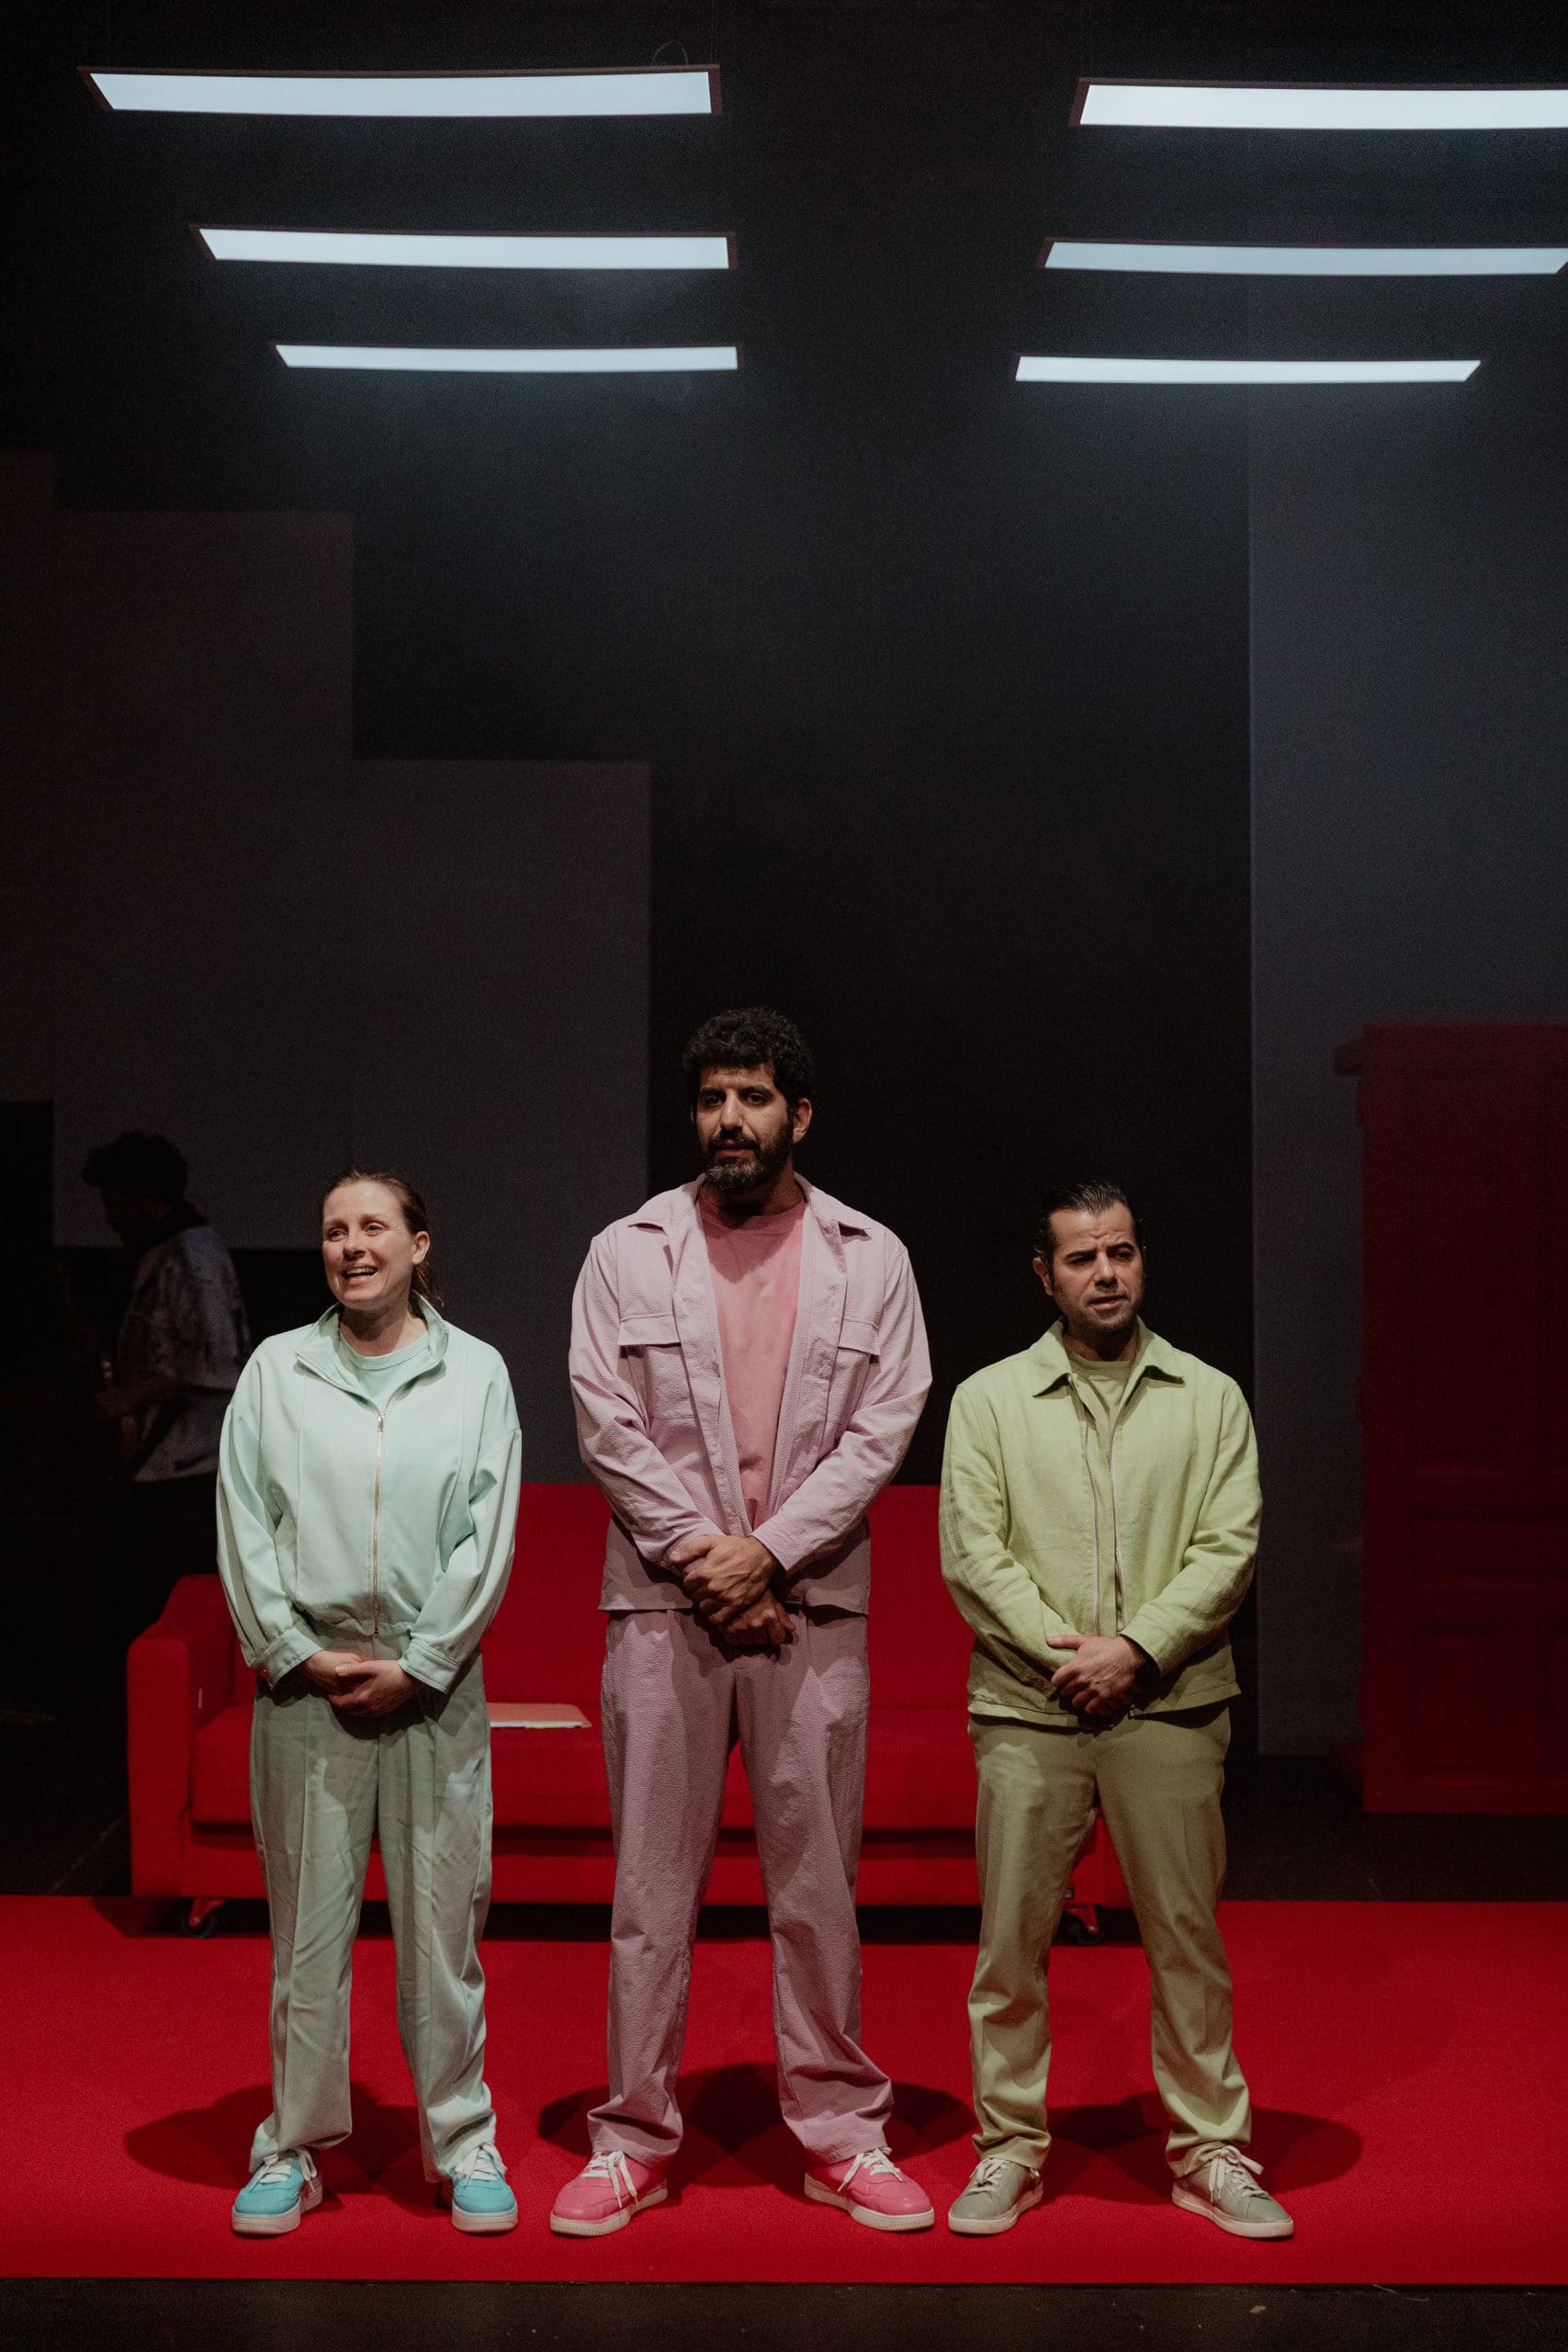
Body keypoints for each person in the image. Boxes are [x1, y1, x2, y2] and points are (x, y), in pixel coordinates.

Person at [556, 1007, 934, 2237]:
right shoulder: (626, 1251)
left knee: (816, 1887)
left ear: (797, 1115)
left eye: (754, 1097)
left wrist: (764, 1554)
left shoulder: (869, 1255)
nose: (731, 1118)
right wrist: (709, 1559)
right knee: (649, 1891)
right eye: (713, 1097)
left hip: (808, 1604)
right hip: (663, 1605)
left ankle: (839, 2132)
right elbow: (603, 1419)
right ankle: (630, 2137)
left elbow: (886, 1423)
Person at [939, 1182, 1292, 2242]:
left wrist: (1135, 1651)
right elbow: (973, 1551)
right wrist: (1072, 1658)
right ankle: (1009, 2146)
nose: (1106, 1273)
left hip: (1170, 1704)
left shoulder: (1209, 1396)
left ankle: (1210, 2148)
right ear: (1044, 1276)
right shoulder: (990, 1399)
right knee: (1012, 1943)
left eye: (1122, 1252)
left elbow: (1229, 1547)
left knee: (1186, 1937)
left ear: (1142, 1261)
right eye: (1083, 1257)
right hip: (1030, 1704)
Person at [215, 1170, 522, 2238]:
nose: (353, 1245)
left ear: (418, 1244)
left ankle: (462, 2139)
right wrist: (295, 1652)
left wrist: (424, 1661)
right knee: (307, 1939)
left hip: (433, 1690)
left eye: (374, 1226)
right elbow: (243, 1521)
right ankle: (293, 2145)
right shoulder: (276, 1369)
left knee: (443, 1936)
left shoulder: (475, 1372)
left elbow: (487, 1529)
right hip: (309, 1688)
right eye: (335, 1229)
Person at [82, 1131, 249, 1640]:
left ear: (145, 1196)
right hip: (171, 1465)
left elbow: (219, 1361)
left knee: (166, 1610)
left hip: (188, 1467)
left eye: (115, 1202)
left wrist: (126, 1398)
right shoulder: (174, 1251)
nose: (109, 1218)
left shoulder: (192, 1256)